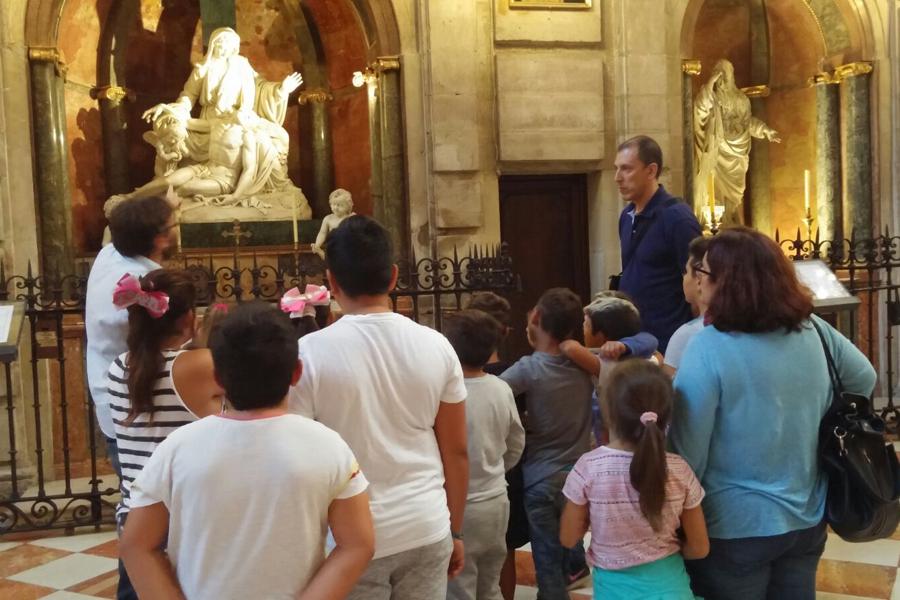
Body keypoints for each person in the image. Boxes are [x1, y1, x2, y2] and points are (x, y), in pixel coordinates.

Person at [671, 227, 877, 600]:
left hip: (734, 524)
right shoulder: (813, 329)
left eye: (704, 273)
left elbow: (689, 455)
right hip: (806, 513)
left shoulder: (708, 347)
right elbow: (864, 378)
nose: (698, 282)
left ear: (728, 282)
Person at [120, 302, 374, 599]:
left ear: (218, 377)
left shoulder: (177, 448)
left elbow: (136, 545)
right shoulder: (329, 446)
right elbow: (358, 544)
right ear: (296, 373)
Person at [289, 215, 469, 600]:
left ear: (332, 282)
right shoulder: (437, 345)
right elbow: (456, 451)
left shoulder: (308, 355)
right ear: (393, 277)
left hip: (349, 539)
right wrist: (455, 530)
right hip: (426, 524)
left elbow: (299, 462)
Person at [107, 269, 223, 600]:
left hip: (135, 514)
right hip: (183, 515)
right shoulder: (200, 365)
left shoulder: (118, 367)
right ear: (188, 318)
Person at [560, 360, 709, 599]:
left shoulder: (588, 468)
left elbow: (568, 538)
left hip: (613, 591)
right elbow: (699, 548)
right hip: (671, 588)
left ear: (609, 413)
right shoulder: (679, 469)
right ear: (666, 415)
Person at [500, 288, 593, 598]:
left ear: (536, 317)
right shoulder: (585, 367)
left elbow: (494, 392)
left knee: (547, 560)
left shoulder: (529, 368)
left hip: (540, 478)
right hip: (578, 477)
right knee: (569, 546)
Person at [85, 194, 177, 478]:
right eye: (174, 226)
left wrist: (165, 206)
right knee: (151, 491)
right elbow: (174, 344)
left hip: (110, 399)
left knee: (133, 491)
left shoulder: (108, 256)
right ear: (161, 239)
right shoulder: (150, 288)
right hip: (145, 409)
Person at [443, 309, 525, 600]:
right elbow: (516, 441)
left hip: (460, 505)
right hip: (496, 499)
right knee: (490, 583)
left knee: (459, 586)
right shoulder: (501, 388)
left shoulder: (446, 394)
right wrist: (497, 468)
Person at [615, 135, 702, 352]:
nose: (617, 177)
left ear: (651, 171)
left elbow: (700, 282)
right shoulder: (626, 216)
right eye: (617, 169)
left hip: (669, 340)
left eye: (626, 169)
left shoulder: (677, 218)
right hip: (635, 338)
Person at [559, 294, 659, 445]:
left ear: (602, 336)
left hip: (615, 444)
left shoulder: (610, 363)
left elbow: (570, 348)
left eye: (586, 324)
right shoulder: (647, 359)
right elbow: (652, 345)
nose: (582, 329)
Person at [662, 236, 711, 376]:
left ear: (699, 279)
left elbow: (671, 387)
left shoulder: (688, 335)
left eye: (686, 272)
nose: (684, 277)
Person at [312, 188, 356, 258]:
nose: (336, 207)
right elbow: (322, 233)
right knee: (330, 258)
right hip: (333, 246)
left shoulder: (351, 218)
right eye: (334, 204)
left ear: (348, 206)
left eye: (340, 205)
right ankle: (319, 251)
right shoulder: (328, 219)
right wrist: (317, 244)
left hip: (347, 247)